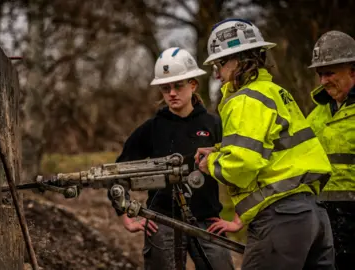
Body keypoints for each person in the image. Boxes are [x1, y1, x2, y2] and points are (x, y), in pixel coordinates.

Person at [194, 18, 336, 269]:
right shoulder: (274, 92)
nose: (217, 74)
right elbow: (271, 150)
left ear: (241, 59)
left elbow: (242, 164)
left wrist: (211, 163)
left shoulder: (245, 99)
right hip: (314, 217)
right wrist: (219, 150)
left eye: (220, 63)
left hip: (281, 218)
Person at [108, 47, 234, 270]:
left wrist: (238, 219)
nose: (172, 93)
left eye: (178, 86)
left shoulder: (214, 124)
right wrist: (125, 215)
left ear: (193, 85)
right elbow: (120, 170)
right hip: (161, 222)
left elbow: (239, 165)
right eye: (166, 88)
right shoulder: (152, 128)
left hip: (207, 222)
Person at [306, 30, 355, 269]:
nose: (323, 80)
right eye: (320, 74)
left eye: (330, 72)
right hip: (321, 217)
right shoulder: (315, 116)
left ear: (352, 70)